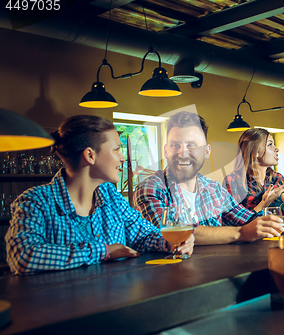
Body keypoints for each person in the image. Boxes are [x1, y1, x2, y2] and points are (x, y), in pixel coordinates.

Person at [5, 115, 194, 275]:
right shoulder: (35, 201)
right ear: (90, 155)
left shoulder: (110, 195)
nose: (123, 157)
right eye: (117, 149)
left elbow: (142, 234)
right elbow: (23, 256)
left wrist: (170, 243)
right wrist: (103, 251)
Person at [134, 111, 284, 245]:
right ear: (165, 150)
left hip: (215, 275)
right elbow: (172, 234)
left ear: (207, 151)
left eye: (192, 145)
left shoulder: (214, 189)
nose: (183, 152)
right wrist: (241, 233)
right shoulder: (152, 188)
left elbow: (249, 220)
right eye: (175, 145)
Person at [223, 128, 284, 213]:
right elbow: (234, 223)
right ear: (255, 151)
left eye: (274, 144)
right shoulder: (233, 181)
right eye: (270, 145)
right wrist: (265, 203)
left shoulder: (279, 179)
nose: (277, 149)